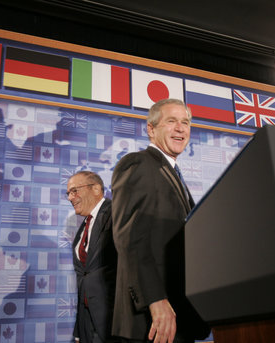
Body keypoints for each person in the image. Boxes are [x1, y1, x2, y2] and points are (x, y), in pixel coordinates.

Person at [111, 99, 210, 343]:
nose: (180, 128)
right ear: (151, 129)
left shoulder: (172, 172)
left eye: (185, 122)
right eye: (171, 121)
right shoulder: (137, 163)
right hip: (153, 321)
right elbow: (130, 237)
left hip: (181, 315)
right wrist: (155, 299)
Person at [67, 171, 119, 343]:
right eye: (68, 193)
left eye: (74, 191)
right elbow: (84, 282)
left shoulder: (117, 213)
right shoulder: (82, 231)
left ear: (96, 189)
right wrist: (79, 330)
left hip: (115, 324)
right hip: (88, 326)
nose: (70, 198)